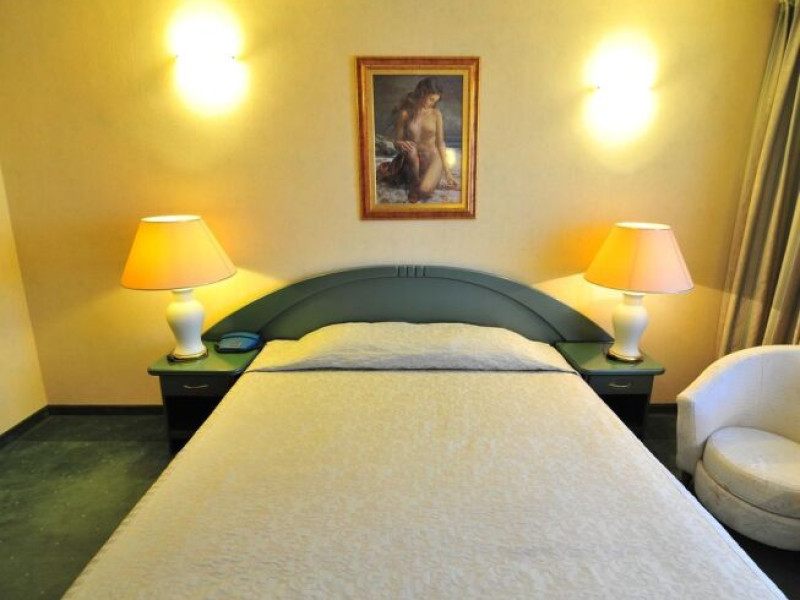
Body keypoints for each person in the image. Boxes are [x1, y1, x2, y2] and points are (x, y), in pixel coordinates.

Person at [377, 77, 458, 203]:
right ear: (422, 93)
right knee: (411, 149)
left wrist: (448, 172)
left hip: (432, 158)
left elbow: (440, 143)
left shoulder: (436, 114)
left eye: (435, 101)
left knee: (424, 191)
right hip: (412, 160)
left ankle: (421, 183)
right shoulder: (405, 114)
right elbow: (397, 141)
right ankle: (414, 183)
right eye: (431, 99)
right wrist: (400, 143)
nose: (432, 103)